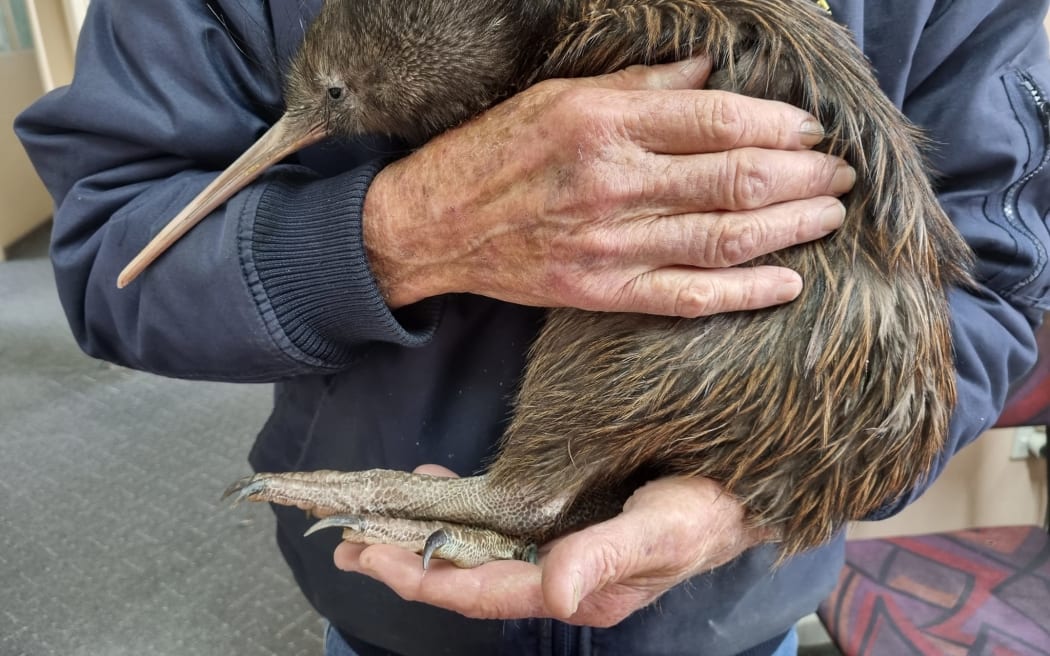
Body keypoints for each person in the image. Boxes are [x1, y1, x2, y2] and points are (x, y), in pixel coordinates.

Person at [15, 1, 1050, 654]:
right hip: (396, 617)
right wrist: (402, 231)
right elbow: (114, 259)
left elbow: (992, 288)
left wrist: (747, 500)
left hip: (727, 613)